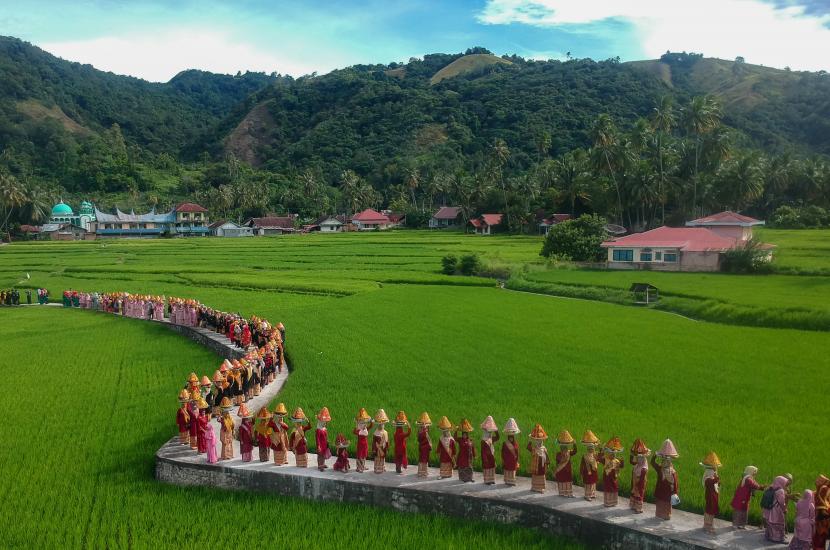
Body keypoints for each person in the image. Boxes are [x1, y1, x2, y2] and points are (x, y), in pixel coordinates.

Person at [653, 439, 680, 520]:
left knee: (667, 504)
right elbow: (653, 463)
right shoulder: (660, 469)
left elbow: (675, 483)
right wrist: (655, 456)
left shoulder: (673, 472)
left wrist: (675, 492)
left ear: (670, 463)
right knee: (660, 502)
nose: (665, 463)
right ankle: (659, 514)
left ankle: (666, 515)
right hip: (661, 491)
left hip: (668, 493)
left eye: (667, 462)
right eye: (663, 461)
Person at [599, 437, 624, 507]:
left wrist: (622, 461)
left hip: (614, 477)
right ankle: (607, 502)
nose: (613, 455)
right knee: (608, 488)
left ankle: (613, 502)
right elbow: (599, 459)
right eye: (611, 453)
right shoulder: (606, 460)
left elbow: (621, 466)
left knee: (614, 488)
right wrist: (602, 450)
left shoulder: (617, 461)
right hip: (607, 477)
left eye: (614, 454)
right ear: (609, 453)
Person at [765, 475, 790, 543]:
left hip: (770, 508)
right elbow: (781, 502)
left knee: (771, 522)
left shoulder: (771, 487)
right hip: (777, 509)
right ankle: (778, 538)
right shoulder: (780, 490)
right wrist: (784, 509)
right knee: (778, 523)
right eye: (785, 482)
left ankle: (769, 536)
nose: (786, 484)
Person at [701, 452, 721, 534]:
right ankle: (707, 525)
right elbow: (712, 482)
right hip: (710, 497)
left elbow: (716, 484)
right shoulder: (707, 479)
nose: (714, 473)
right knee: (709, 510)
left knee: (712, 511)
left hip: (714, 497)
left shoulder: (712, 478)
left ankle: (710, 524)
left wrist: (717, 481)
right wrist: (716, 478)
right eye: (712, 472)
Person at [554, 430, 577, 497]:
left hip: (567, 470)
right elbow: (558, 461)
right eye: (563, 448)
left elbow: (575, 451)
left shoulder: (569, 453)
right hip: (561, 470)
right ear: (561, 448)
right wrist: (563, 457)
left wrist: (574, 444)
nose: (564, 449)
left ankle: (569, 493)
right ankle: (562, 493)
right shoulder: (558, 454)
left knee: (568, 480)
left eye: (565, 448)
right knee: (562, 480)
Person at [629, 439, 650, 513]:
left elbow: (642, 479)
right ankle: (633, 505)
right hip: (635, 482)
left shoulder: (643, 468)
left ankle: (638, 508)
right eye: (637, 458)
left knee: (639, 495)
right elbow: (631, 462)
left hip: (640, 484)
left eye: (640, 458)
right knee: (634, 493)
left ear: (644, 459)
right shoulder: (637, 466)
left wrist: (638, 484)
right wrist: (631, 455)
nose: (638, 460)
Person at [528, 424, 550, 493]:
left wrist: (547, 462)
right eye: (538, 441)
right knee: (535, 475)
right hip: (536, 465)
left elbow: (547, 456)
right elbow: (528, 448)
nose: (539, 442)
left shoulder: (544, 448)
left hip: (541, 466)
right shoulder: (534, 449)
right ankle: (534, 487)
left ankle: (540, 488)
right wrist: (530, 441)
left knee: (541, 475)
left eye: (540, 441)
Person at [580, 430, 600, 501]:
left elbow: (599, 459)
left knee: (593, 483)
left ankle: (592, 494)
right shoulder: (585, 456)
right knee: (588, 484)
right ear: (588, 449)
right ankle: (587, 495)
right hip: (587, 472)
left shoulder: (595, 455)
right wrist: (581, 472)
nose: (591, 449)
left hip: (594, 471)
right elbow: (582, 465)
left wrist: (601, 449)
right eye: (590, 448)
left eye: (592, 448)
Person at [480, 416, 499, 485]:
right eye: (488, 432)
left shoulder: (491, 439)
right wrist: (484, 459)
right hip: (486, 457)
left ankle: (492, 480)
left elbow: (497, 437)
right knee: (487, 467)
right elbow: (482, 451)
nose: (490, 434)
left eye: (490, 432)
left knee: (492, 467)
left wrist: (496, 431)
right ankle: (487, 481)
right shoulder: (483, 441)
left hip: (491, 455)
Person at [353, 408, 373, 473]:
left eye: (364, 423)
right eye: (361, 423)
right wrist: (356, 427)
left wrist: (372, 422)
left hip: (365, 444)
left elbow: (370, 427)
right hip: (360, 444)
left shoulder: (365, 429)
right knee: (359, 455)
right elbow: (354, 431)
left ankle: (363, 466)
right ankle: (359, 467)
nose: (364, 424)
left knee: (364, 455)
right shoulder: (359, 430)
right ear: (359, 424)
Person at [501, 418, 520, 486]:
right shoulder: (505, 443)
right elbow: (502, 452)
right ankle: (507, 481)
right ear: (508, 438)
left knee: (512, 471)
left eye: (512, 438)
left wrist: (517, 459)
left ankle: (512, 482)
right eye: (510, 438)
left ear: (513, 438)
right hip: (507, 460)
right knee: (507, 470)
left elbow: (517, 452)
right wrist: (503, 459)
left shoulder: (516, 444)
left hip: (513, 461)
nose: (511, 439)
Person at [814, 474, 830, 550]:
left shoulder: (817, 494)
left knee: (819, 539)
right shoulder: (822, 502)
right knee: (820, 539)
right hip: (821, 525)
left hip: (820, 524)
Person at [372, 409, 390, 474]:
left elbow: (387, 441)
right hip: (377, 449)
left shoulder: (385, 432)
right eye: (380, 424)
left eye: (382, 424)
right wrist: (374, 449)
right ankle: (377, 468)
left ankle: (382, 468)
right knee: (377, 458)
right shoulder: (375, 432)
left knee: (382, 458)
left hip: (383, 448)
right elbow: (374, 442)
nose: (381, 426)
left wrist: (387, 447)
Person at [415, 412, 432, 478]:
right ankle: (423, 473)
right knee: (423, 460)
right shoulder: (423, 433)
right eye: (426, 427)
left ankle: (421, 472)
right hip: (424, 449)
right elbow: (422, 438)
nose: (427, 428)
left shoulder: (421, 432)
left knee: (423, 460)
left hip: (424, 449)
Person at [315, 407, 332, 471]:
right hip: (320, 444)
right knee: (320, 455)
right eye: (324, 422)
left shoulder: (324, 429)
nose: (325, 423)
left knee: (323, 454)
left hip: (324, 444)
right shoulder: (318, 430)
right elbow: (317, 439)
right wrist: (318, 446)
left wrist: (327, 441)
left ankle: (323, 463)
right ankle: (320, 465)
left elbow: (326, 436)